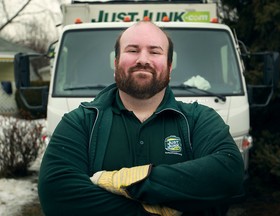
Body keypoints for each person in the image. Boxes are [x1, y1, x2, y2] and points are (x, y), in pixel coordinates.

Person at [38, 21, 245, 216]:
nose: (143, 59)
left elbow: (229, 173)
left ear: (170, 67)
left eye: (155, 51)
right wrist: (156, 209)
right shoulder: (81, 122)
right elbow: (57, 196)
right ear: (116, 63)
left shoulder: (200, 119)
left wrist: (122, 182)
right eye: (133, 50)